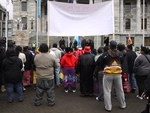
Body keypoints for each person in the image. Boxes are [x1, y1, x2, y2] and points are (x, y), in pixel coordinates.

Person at [99, 40, 126, 112]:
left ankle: (108, 107)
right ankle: (122, 104)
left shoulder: (105, 54)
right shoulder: (120, 54)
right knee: (119, 90)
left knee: (107, 91)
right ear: (116, 46)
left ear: (109, 46)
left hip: (108, 74)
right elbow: (122, 62)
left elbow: (99, 62)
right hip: (117, 74)